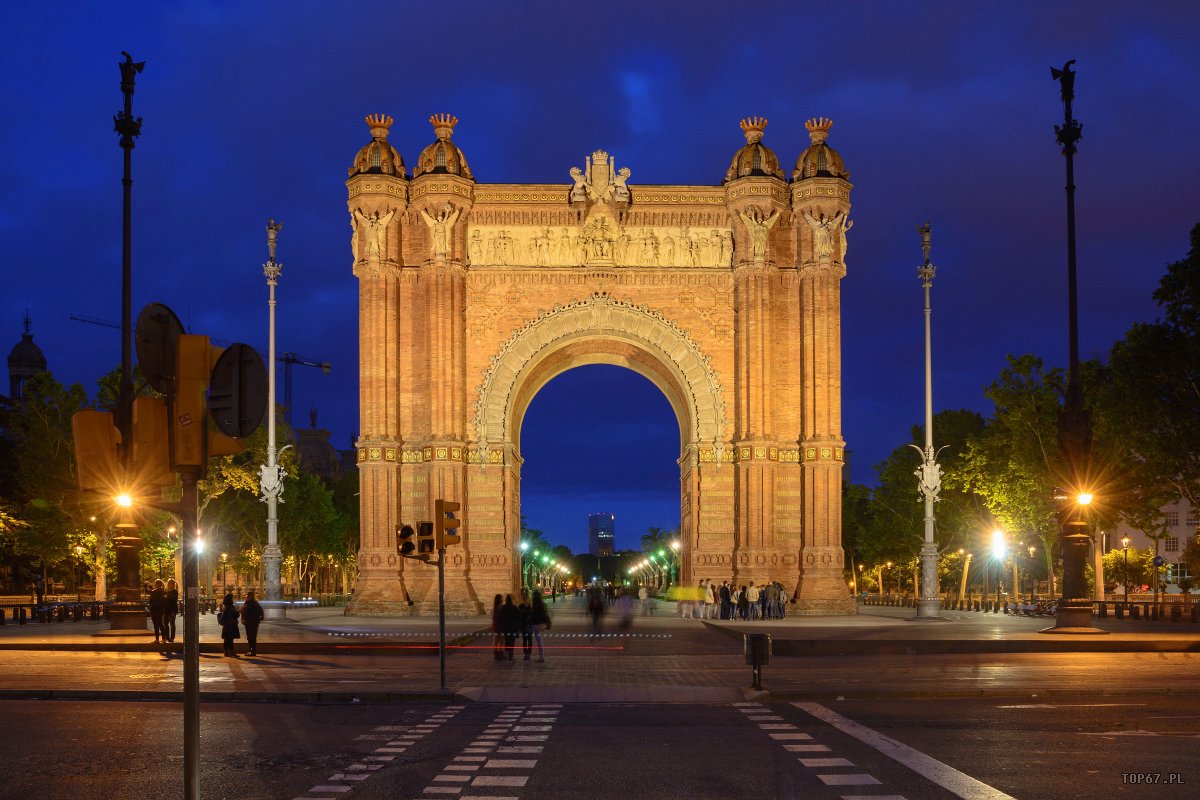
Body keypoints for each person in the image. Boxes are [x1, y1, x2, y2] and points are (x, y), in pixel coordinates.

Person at [529, 589, 550, 662]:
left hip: (535, 624)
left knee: (537, 640)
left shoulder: (533, 605)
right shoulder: (543, 604)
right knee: (539, 641)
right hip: (542, 624)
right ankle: (541, 657)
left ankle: (531, 655)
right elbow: (546, 613)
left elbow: (531, 614)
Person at [241, 589, 264, 656]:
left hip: (252, 622)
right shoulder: (247, 603)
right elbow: (243, 611)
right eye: (247, 596)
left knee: (252, 636)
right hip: (248, 622)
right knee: (249, 637)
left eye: (248, 596)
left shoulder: (254, 604)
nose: (246, 597)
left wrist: (258, 619)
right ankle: (251, 650)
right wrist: (242, 618)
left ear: (251, 596)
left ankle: (252, 651)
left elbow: (259, 612)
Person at [499, 594, 522, 659]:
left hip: (505, 627)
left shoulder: (503, 607)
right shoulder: (515, 608)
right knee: (512, 641)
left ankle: (506, 653)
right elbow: (519, 618)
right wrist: (518, 627)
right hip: (513, 627)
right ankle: (510, 654)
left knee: (506, 640)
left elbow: (500, 617)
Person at [148, 579, 167, 644]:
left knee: (156, 624)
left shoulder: (156, 591)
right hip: (160, 609)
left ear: (158, 584)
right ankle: (164, 638)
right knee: (161, 624)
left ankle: (157, 639)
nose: (155, 584)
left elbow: (150, 592)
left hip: (155, 609)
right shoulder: (162, 591)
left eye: (155, 583)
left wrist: (146, 586)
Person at [518, 589, 534, 660]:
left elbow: (519, 617)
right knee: (529, 640)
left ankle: (526, 654)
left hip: (524, 626)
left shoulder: (520, 606)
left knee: (525, 640)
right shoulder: (530, 606)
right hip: (528, 626)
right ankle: (528, 654)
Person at [163, 579, 179, 643]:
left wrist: (167, 593)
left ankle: (172, 638)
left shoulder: (174, 591)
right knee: (165, 624)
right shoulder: (166, 591)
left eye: (171, 583)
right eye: (169, 583)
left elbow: (174, 599)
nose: (170, 584)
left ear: (173, 584)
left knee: (172, 624)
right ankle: (167, 637)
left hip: (172, 610)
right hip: (165, 610)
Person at [490, 594, 504, 660]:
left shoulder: (493, 609)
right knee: (501, 641)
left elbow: (492, 618)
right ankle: (501, 654)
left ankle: (496, 654)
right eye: (502, 598)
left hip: (495, 626)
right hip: (501, 626)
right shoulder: (502, 608)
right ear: (500, 600)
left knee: (496, 641)